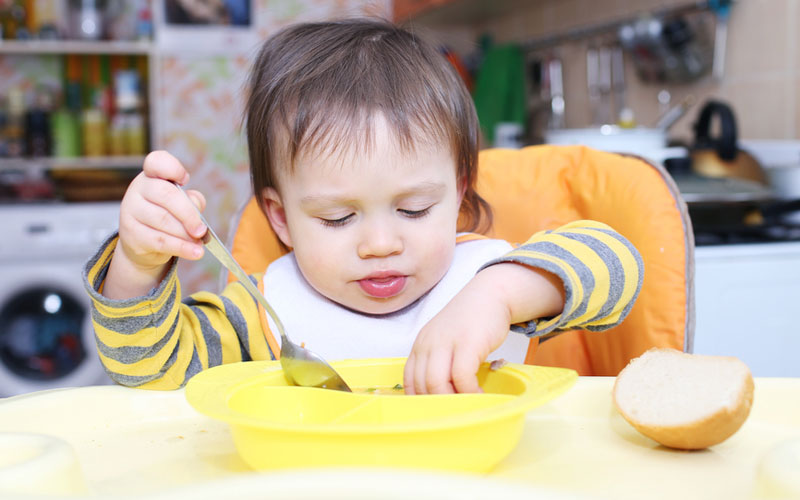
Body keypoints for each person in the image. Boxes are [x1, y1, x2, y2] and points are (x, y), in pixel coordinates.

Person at [83, 19, 643, 395]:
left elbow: (616, 264)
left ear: (460, 192)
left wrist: (498, 295)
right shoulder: (264, 317)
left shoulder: (483, 279)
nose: (380, 244)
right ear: (281, 217)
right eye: (338, 218)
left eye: (416, 208)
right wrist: (136, 265)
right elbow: (147, 372)